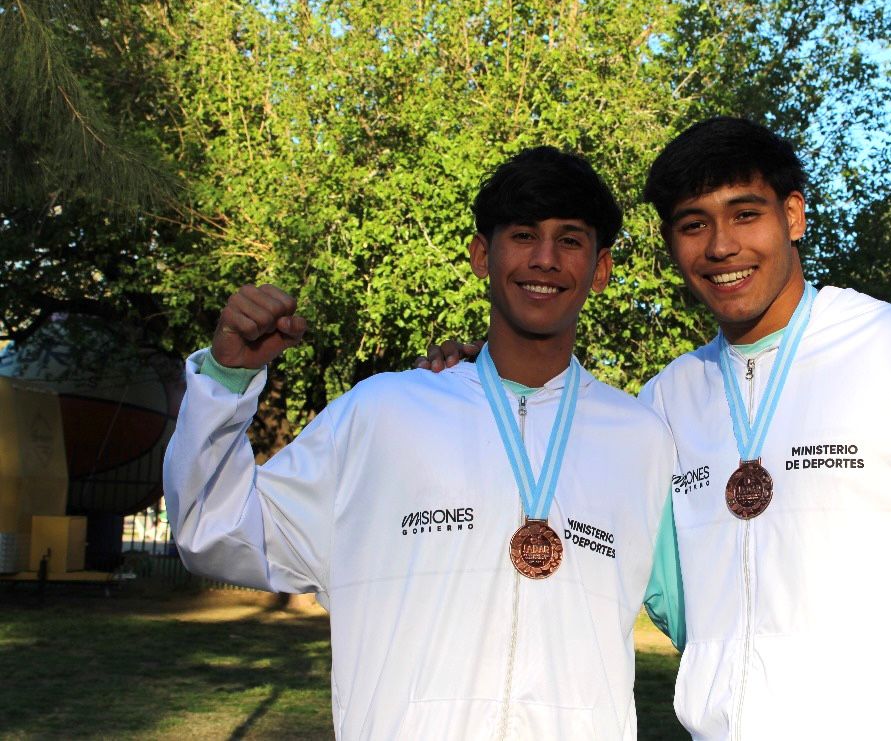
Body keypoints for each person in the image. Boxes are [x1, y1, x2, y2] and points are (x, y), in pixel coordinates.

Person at [424, 117, 891, 738]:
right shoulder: (668, 399)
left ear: (794, 216)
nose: (721, 246)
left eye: (746, 214)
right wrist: (479, 387)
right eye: (693, 224)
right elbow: (647, 580)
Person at [163, 147, 677, 739]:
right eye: (523, 235)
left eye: (570, 240)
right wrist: (227, 382)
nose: (544, 259)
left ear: (601, 267)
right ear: (482, 255)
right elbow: (213, 531)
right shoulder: (383, 413)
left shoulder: (640, 440)